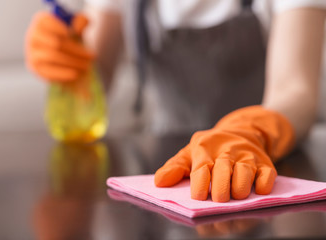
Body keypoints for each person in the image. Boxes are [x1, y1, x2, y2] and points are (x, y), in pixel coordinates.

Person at [25, 0, 326, 202]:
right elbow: (95, 76)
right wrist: (65, 55)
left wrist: (249, 131)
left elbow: (294, 89)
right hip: (170, 170)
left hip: (264, 162)